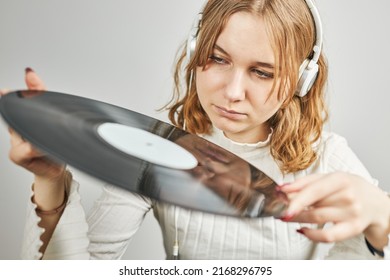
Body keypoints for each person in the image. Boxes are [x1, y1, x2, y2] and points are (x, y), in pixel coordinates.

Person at [3, 0, 390, 259]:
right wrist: (51, 180)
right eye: (218, 59)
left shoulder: (329, 158)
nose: (233, 92)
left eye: (262, 72)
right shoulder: (152, 150)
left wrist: (382, 218)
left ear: (301, 81)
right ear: (194, 53)